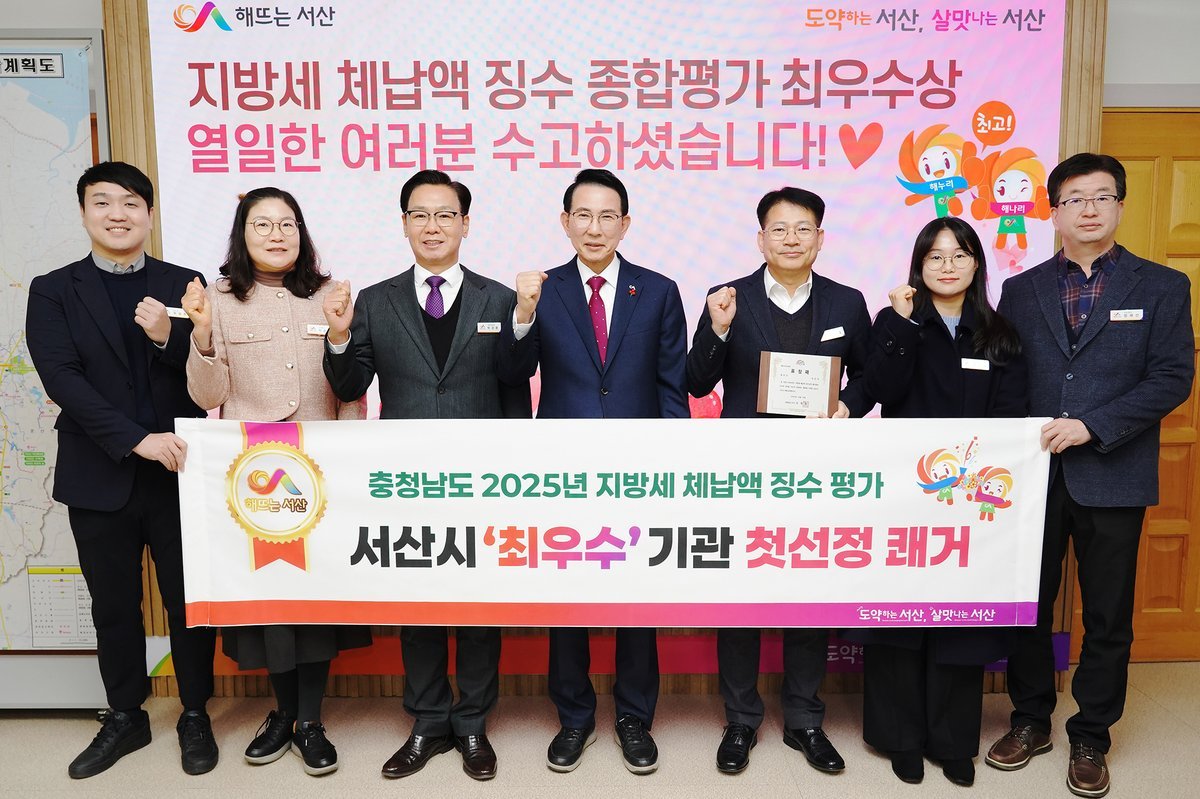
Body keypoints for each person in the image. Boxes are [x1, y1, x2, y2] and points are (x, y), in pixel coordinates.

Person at [987, 153, 1193, 798]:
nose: (1089, 209)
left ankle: (1091, 735)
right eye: (1075, 198)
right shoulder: (1021, 290)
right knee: (1028, 605)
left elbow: (1173, 377)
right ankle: (1030, 720)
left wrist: (1092, 425)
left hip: (1115, 470)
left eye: (1102, 197)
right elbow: (1005, 374)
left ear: (1120, 206)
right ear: (1054, 212)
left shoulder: (1162, 286)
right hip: (1032, 477)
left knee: (1107, 614)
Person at [323, 169, 531, 782]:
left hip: (480, 480)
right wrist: (338, 337)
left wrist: (516, 472)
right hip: (406, 480)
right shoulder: (375, 300)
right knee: (417, 605)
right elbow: (350, 384)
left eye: (445, 215)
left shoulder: (499, 299)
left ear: (465, 224)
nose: (432, 226)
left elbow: (515, 384)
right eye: (420, 214)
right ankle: (428, 721)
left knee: (479, 608)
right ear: (404, 224)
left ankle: (473, 724)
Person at [25, 162, 218, 778]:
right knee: (113, 604)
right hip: (98, 470)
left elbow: (206, 371)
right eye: (103, 202)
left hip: (180, 470)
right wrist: (137, 440)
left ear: (149, 215)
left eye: (131, 203)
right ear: (84, 213)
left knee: (190, 602)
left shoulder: (184, 283)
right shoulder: (52, 289)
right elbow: (63, 381)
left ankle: (195, 714)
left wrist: (168, 337)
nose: (117, 213)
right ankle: (126, 715)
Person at [499, 168, 687, 775]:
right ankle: (574, 716)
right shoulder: (542, 290)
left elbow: (671, 387)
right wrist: (522, 314)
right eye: (583, 215)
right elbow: (512, 371)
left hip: (640, 470)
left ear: (625, 224)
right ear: (565, 221)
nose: (595, 227)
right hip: (563, 469)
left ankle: (634, 716)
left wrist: (672, 468)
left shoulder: (658, 290)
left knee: (637, 599)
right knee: (568, 598)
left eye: (608, 216)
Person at [181, 186, 369, 776]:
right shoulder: (217, 300)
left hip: (320, 475)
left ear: (301, 233)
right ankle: (282, 714)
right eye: (261, 224)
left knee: (316, 604)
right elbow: (207, 396)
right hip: (256, 480)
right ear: (242, 234)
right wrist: (202, 334)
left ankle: (310, 720)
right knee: (271, 606)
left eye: (287, 223)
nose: (276, 234)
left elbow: (349, 389)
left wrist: (349, 456)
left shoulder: (329, 295)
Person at [685, 186, 870, 776]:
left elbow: (869, 376)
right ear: (761, 238)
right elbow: (696, 381)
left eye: (803, 229)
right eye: (780, 229)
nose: (791, 239)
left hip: (818, 476)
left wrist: (849, 404)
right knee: (740, 601)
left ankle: (804, 719)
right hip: (746, 473)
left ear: (821, 237)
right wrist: (717, 330)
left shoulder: (847, 302)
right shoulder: (727, 298)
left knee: (808, 600)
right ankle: (740, 718)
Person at [853, 216, 1027, 787]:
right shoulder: (897, 321)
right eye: (935, 256)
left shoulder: (999, 334)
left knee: (960, 619)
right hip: (904, 497)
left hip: (971, 500)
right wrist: (902, 324)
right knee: (900, 618)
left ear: (977, 263)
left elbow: (1011, 418)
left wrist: (977, 478)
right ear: (918, 265)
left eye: (959, 255)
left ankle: (952, 742)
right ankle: (899, 739)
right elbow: (880, 389)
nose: (947, 266)